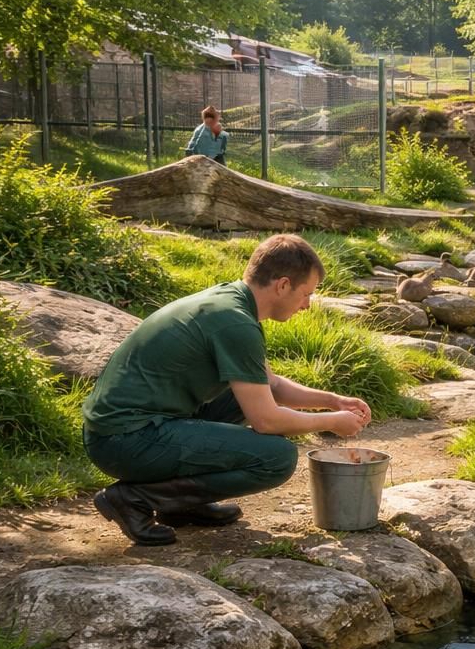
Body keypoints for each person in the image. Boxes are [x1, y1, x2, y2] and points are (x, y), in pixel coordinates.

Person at [82, 234, 371, 546]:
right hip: (123, 440)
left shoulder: (231, 303)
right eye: (306, 294)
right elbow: (266, 421)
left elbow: (271, 385)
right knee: (277, 457)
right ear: (283, 285)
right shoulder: (236, 323)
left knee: (242, 395)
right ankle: (134, 498)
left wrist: (332, 401)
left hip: (128, 430)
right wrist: (331, 422)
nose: (307, 305)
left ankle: (181, 504)